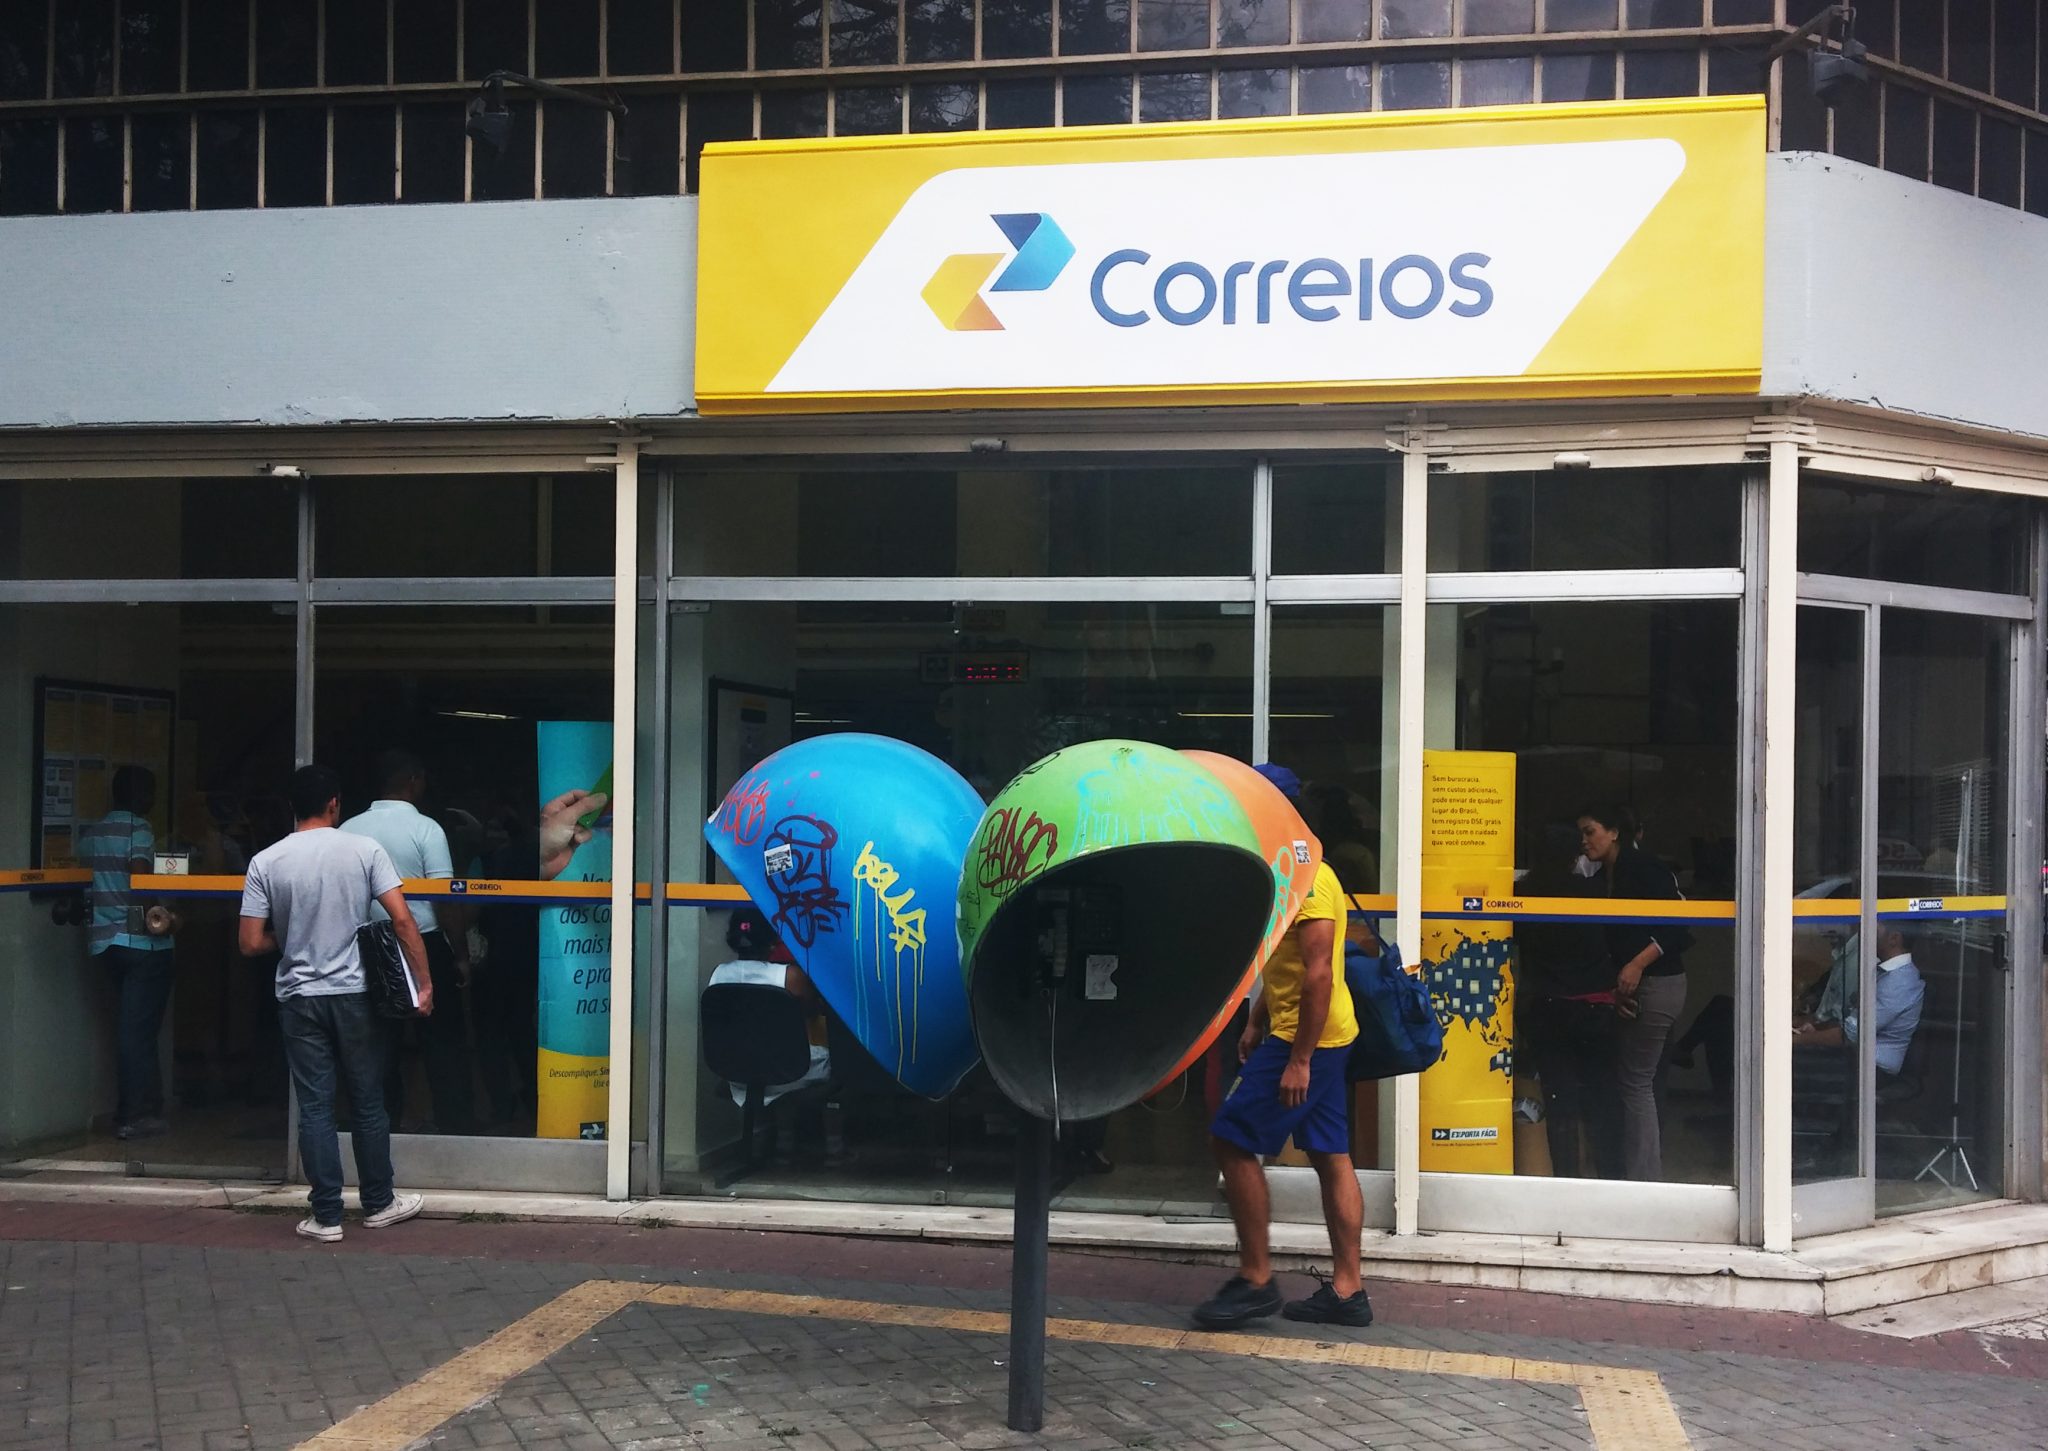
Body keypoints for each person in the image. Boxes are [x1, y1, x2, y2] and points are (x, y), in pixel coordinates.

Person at [1194, 763, 1372, 1330]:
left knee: (1230, 1138)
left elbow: (1318, 973)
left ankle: (1256, 1279)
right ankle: (1348, 1291)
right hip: (1313, 1033)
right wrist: (1256, 1018)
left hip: (1308, 1040)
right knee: (1329, 1154)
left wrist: (1298, 1059)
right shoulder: (1288, 869)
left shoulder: (1309, 877)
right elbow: (1287, 966)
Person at [239, 764, 433, 1243]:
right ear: (334, 804)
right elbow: (403, 921)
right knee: (368, 1101)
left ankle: (326, 1216)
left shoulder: (266, 861)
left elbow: (250, 942)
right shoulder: (364, 850)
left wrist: (290, 937)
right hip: (354, 994)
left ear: (291, 807)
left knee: (315, 1107)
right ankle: (379, 1202)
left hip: (299, 998)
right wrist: (423, 984)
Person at [341, 750, 475, 1135]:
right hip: (424, 942)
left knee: (379, 1045)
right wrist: (460, 953)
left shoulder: (348, 829)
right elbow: (444, 899)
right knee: (443, 1041)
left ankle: (381, 1129)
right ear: (414, 781)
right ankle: (455, 1127)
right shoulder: (426, 829)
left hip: (368, 944)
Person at [1578, 805, 1690, 1182]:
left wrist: (1637, 965)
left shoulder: (1644, 868)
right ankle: (1634, 1174)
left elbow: (1678, 926)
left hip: (1658, 982)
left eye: (1590, 831)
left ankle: (1645, 1179)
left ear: (1614, 832)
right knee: (1635, 1081)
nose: (1584, 841)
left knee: (1637, 1082)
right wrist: (1619, 987)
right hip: (1637, 988)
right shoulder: (1603, 876)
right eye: (1581, 834)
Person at [76, 766, 176, 1142]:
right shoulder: (139, 829)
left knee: (134, 1028)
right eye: (150, 792)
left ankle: (144, 1108)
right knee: (138, 1033)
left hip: (106, 944)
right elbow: (140, 878)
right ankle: (135, 1114)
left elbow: (85, 872)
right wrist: (161, 918)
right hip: (141, 944)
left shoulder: (95, 833)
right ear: (140, 795)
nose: (153, 800)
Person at [1515, 854, 1625, 1180]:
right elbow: (1612, 939)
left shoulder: (1525, 893)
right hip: (1594, 1006)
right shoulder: (1593, 891)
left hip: (1547, 1006)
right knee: (1602, 1098)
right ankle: (1610, 1178)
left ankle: (1566, 1179)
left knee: (1559, 1101)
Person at [707, 907, 831, 1108]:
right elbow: (812, 1012)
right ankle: (821, 1128)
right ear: (773, 939)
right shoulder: (791, 977)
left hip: (736, 1073)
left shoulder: (718, 975)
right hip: (790, 1072)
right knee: (837, 1062)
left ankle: (778, 1128)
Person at [1795, 924, 1925, 1076]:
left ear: (1894, 939)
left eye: (1875, 930)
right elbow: (1851, 1022)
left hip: (1874, 1072)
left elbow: (1850, 1035)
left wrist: (1795, 1040)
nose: (1865, 934)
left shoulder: (1900, 981)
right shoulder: (1885, 973)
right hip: (1855, 1059)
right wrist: (1816, 1030)